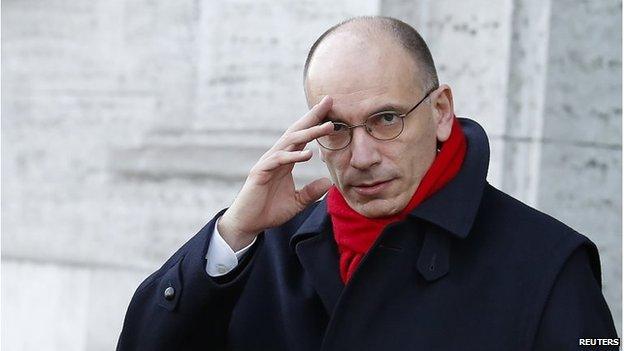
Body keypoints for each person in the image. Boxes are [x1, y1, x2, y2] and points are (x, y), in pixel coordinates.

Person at [117, 16, 618, 350]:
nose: (361, 156)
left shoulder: (548, 262)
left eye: (386, 119)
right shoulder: (268, 243)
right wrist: (231, 235)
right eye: (336, 127)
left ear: (440, 112)